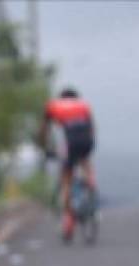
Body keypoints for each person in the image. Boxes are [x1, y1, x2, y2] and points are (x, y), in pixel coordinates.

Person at [40, 87, 96, 240]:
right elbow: (91, 128)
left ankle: (69, 221)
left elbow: (44, 130)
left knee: (66, 179)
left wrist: (44, 147)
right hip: (86, 141)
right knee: (84, 159)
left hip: (70, 143)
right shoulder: (83, 105)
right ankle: (90, 182)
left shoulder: (53, 105)